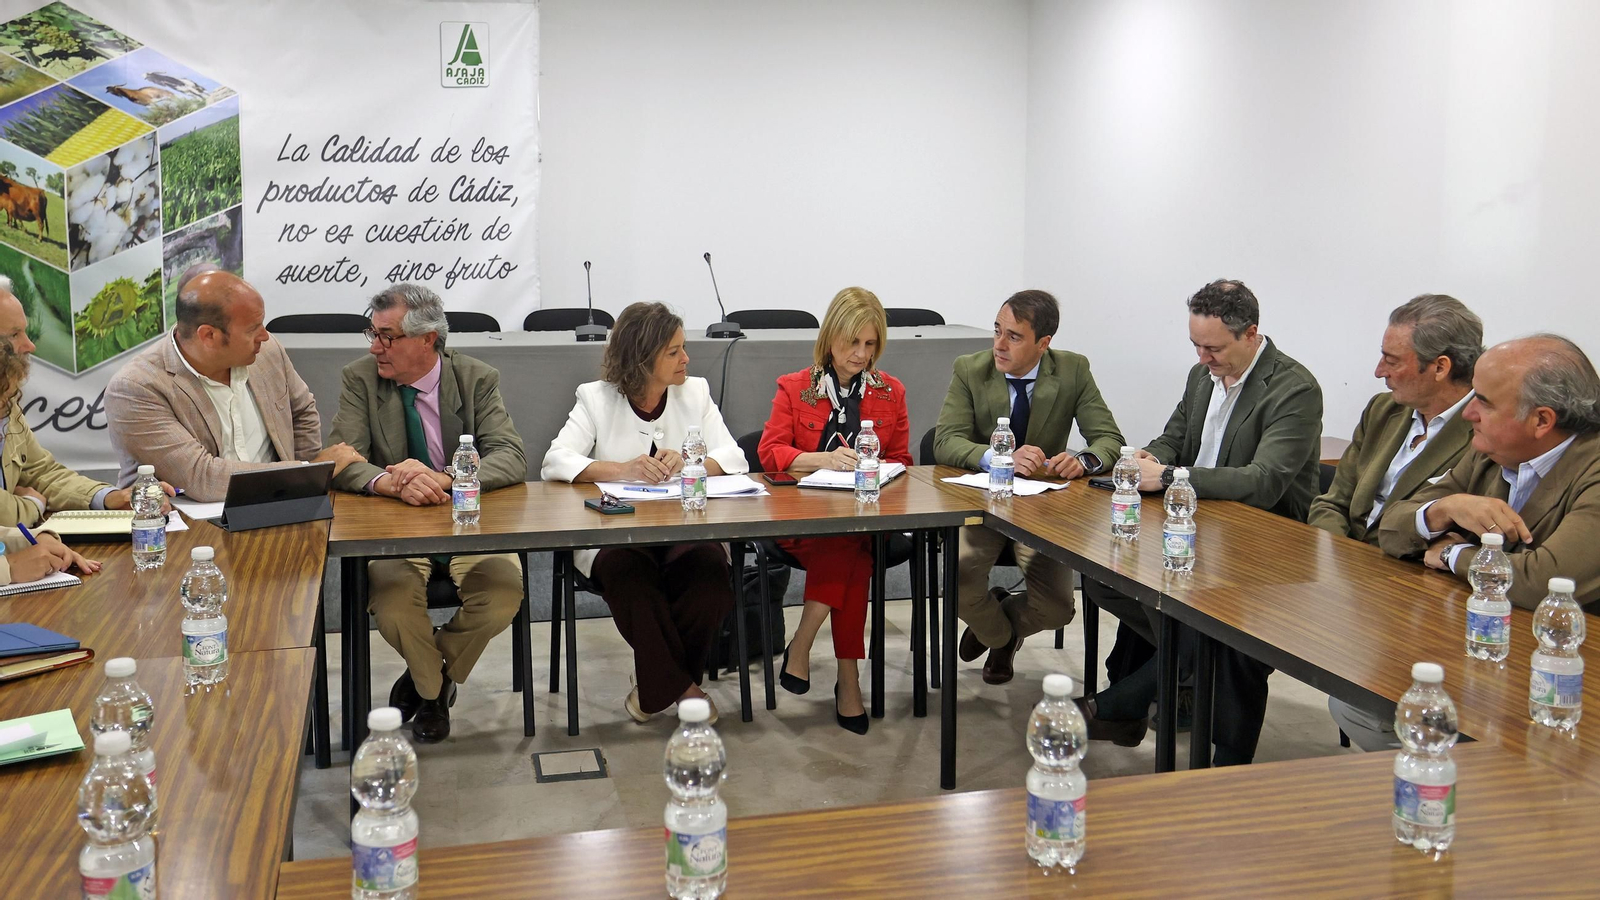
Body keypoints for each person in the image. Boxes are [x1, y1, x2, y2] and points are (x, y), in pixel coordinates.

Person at [1082, 279, 1322, 767]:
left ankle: (1131, 703)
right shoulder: (1201, 378)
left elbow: (1264, 481)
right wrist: (1150, 457)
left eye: (1213, 347)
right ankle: (1179, 682)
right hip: (1193, 525)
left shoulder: (1294, 388)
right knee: (1103, 577)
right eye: (1195, 344)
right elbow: (1175, 437)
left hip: (1263, 543)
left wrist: (1168, 474)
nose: (1201, 357)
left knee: (1208, 622)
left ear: (1251, 333)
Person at [328, 284, 527, 743]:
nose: (375, 346)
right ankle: (436, 690)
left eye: (387, 336)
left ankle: (425, 679)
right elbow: (342, 458)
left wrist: (444, 478)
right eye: (372, 334)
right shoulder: (360, 378)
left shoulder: (477, 378)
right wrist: (391, 481)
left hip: (468, 524)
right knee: (395, 605)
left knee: (500, 595)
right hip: (396, 531)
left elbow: (511, 456)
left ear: (428, 340)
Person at [542, 302, 747, 725]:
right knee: (632, 582)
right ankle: (684, 690)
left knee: (711, 578)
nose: (686, 359)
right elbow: (555, 461)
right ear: (641, 358)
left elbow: (734, 457)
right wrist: (621, 469)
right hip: (616, 535)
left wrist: (693, 463)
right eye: (674, 351)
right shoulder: (595, 398)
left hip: (685, 528)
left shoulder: (696, 391)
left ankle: (652, 691)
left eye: (683, 348)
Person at [934, 289, 1125, 685]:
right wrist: (999, 457)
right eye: (997, 331)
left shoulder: (1072, 370)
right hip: (983, 501)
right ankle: (1003, 639)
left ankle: (1000, 623)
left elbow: (1108, 438)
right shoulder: (971, 368)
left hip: (1041, 508)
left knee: (1057, 610)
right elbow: (945, 440)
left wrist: (1083, 459)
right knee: (958, 585)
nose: (998, 345)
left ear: (1044, 344)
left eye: (1014, 337)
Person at [757, 287, 911, 733]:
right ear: (830, 338)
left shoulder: (891, 393)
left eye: (870, 345)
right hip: (803, 521)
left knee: (853, 541)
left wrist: (878, 469)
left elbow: (902, 462)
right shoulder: (794, 387)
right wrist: (822, 460)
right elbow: (770, 454)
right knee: (852, 549)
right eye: (852, 343)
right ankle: (848, 681)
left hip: (867, 517)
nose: (861, 355)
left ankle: (803, 644)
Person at [103, 271, 364, 500]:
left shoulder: (266, 351)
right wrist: (308, 472)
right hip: (185, 531)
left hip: (280, 504)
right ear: (209, 335)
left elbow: (301, 411)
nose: (265, 335)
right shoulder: (136, 388)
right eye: (253, 328)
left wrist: (304, 489)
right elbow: (202, 478)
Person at [1380, 334, 1600, 604]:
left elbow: (1543, 582)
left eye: (1484, 402)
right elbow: (1390, 528)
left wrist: (1453, 553)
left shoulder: (1592, 469)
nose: (1467, 413)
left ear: (1541, 420)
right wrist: (1444, 509)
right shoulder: (1490, 453)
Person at [0, 277, 173, 526]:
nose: (30, 346)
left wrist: (109, 497)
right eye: (15, 335)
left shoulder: (6, 401)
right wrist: (32, 505)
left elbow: (42, 472)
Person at [1308, 295, 1480, 544]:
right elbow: (1333, 503)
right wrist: (1342, 554)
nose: (1379, 372)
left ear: (1440, 367)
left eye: (1392, 361)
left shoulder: (1484, 433)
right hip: (1346, 560)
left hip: (1410, 571)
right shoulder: (1382, 409)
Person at [0, 337, 99, 582]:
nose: (29, 345)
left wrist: (38, 539)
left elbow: (41, 471)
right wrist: (8, 569)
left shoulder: (8, 407)